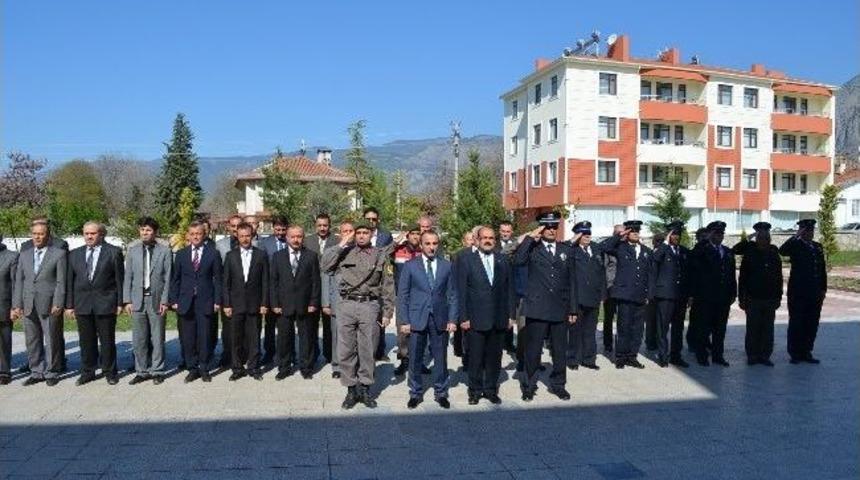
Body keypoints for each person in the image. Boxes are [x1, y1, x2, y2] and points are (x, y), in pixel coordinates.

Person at [322, 222, 394, 409]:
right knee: (346, 350)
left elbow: (387, 285)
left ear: (371, 235)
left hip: (369, 305)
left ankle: (365, 388)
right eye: (358, 233)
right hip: (346, 304)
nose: (361, 236)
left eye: (365, 233)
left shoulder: (380, 255)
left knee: (368, 349)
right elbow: (325, 266)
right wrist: (341, 244)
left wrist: (387, 312)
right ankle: (351, 390)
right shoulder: (344, 252)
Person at [514, 211, 577, 401]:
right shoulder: (532, 248)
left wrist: (573, 308)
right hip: (537, 307)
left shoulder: (566, 249)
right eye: (547, 226)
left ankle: (558, 385)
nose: (551, 230)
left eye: (554, 226)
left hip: (559, 307)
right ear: (541, 228)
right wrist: (531, 237)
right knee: (533, 351)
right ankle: (529, 385)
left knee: (559, 350)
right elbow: (518, 261)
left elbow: (572, 281)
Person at [398, 230, 458, 409]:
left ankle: (441, 392)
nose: (432, 247)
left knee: (440, 358)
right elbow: (403, 296)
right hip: (417, 318)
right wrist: (404, 321)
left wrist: (453, 319)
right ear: (421, 245)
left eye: (435, 243)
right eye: (428, 244)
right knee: (415, 358)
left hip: (440, 318)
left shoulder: (447, 266)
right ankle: (415, 393)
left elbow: (453, 294)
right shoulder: (410, 266)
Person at [458, 226, 514, 405]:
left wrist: (510, 315)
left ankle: (490, 389)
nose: (488, 241)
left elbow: (509, 290)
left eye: (491, 238)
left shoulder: (503, 260)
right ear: (477, 240)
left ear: (495, 241)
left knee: (494, 357)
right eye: (484, 238)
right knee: (475, 357)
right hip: (475, 318)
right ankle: (474, 390)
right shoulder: (466, 260)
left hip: (498, 318)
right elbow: (461, 291)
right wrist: (463, 317)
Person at [65, 222, 125, 385]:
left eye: (93, 233)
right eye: (86, 233)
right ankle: (88, 371)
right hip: (82, 304)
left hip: (106, 302)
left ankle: (110, 371)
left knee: (107, 340)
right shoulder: (74, 254)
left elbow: (120, 280)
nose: (89, 236)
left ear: (101, 234)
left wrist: (120, 303)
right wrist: (69, 305)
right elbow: (70, 282)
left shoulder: (113, 252)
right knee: (86, 341)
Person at [12, 221, 67, 386]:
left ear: (48, 235)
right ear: (31, 235)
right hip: (28, 303)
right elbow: (19, 281)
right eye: (35, 233)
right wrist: (17, 304)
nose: (38, 237)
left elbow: (61, 281)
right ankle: (36, 371)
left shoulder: (58, 254)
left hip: (49, 303)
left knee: (52, 338)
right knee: (32, 339)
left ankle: (52, 372)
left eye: (41, 233)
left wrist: (58, 302)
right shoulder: (24, 254)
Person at [169, 221, 223, 383]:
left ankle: (204, 367)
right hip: (185, 302)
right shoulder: (181, 254)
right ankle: (192, 368)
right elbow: (175, 279)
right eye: (192, 234)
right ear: (188, 235)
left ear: (204, 234)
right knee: (188, 337)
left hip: (205, 301)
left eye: (198, 234)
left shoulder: (213, 253)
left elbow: (218, 279)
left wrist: (217, 300)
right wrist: (174, 300)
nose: (195, 237)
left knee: (205, 336)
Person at [123, 217, 172, 385]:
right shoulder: (133, 250)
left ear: (155, 232)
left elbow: (168, 277)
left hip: (156, 299)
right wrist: (127, 300)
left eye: (149, 230)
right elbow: (128, 276)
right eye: (142, 229)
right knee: (139, 338)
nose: (145, 233)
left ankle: (157, 370)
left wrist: (165, 301)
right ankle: (141, 370)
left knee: (157, 337)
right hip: (137, 300)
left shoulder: (164, 251)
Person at [271, 225, 321, 379]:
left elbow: (315, 281)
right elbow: (273, 282)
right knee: (284, 338)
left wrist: (313, 302)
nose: (296, 239)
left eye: (299, 236)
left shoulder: (311, 256)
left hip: (305, 304)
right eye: (292, 236)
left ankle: (306, 367)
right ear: (287, 238)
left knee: (306, 338)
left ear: (303, 237)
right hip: (283, 305)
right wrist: (275, 304)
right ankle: (284, 367)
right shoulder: (278, 256)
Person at [222, 222, 269, 380]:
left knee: (254, 337)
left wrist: (264, 303)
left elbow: (265, 281)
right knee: (235, 338)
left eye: (247, 236)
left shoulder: (261, 255)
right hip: (235, 305)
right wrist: (227, 304)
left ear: (252, 235)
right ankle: (237, 368)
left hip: (255, 304)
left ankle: (254, 367)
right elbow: (226, 283)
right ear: (237, 236)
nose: (244, 239)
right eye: (241, 236)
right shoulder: (230, 256)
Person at [601, 220, 651, 369]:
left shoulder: (646, 251)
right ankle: (621, 356)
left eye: (637, 231)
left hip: (640, 294)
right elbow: (604, 247)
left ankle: (632, 356)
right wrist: (619, 235)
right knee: (624, 326)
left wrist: (649, 293)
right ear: (627, 233)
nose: (635, 234)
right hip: (624, 294)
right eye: (632, 231)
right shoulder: (620, 248)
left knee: (637, 328)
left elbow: (650, 274)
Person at [733, 222, 783, 366]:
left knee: (768, 329)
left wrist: (779, 296)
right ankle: (752, 355)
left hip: (770, 298)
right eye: (760, 237)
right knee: (753, 328)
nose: (763, 240)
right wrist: (741, 298)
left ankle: (765, 355)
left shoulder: (773, 253)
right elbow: (742, 276)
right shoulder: (750, 252)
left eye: (766, 237)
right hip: (752, 298)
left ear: (769, 239)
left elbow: (778, 277)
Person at [779, 219, 827, 364]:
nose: (810, 233)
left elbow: (822, 269)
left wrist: (823, 288)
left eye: (811, 230)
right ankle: (795, 353)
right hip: (798, 292)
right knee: (797, 322)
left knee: (812, 322)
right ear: (801, 232)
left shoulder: (817, 247)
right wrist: (796, 236)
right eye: (806, 231)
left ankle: (807, 351)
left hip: (815, 292)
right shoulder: (796, 245)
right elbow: (783, 250)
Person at [689, 221, 736, 367]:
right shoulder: (702, 249)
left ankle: (717, 356)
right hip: (705, 298)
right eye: (716, 233)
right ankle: (701, 355)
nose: (719, 236)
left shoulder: (727, 251)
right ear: (710, 234)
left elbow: (731, 274)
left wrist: (733, 293)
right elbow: (694, 258)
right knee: (703, 328)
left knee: (720, 329)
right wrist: (705, 240)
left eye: (721, 233)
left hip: (723, 298)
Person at [648, 221, 690, 368]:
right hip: (664, 295)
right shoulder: (662, 250)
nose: (676, 237)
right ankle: (663, 355)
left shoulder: (684, 251)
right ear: (668, 235)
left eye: (678, 234)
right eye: (673, 234)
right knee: (663, 327)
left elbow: (688, 275)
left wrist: (689, 294)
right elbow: (654, 259)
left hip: (680, 296)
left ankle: (676, 355)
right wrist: (665, 242)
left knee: (678, 328)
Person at [567, 221, 605, 371]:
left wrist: (602, 293)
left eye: (589, 233)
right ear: (577, 235)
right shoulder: (571, 250)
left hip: (593, 297)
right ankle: (573, 359)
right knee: (575, 331)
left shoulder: (596, 248)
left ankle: (589, 359)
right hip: (577, 298)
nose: (588, 236)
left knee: (590, 331)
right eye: (584, 234)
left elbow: (600, 273)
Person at [304, 213, 339, 366]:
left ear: (329, 225)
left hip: (330, 289)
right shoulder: (307, 241)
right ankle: (312, 355)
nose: (322, 228)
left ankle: (329, 355)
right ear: (315, 225)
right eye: (320, 225)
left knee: (329, 327)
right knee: (310, 326)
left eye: (325, 225)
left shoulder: (337, 241)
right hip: (311, 289)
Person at [321, 220, 354, 379]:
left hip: (354, 301)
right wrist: (326, 302)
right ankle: (337, 365)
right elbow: (326, 274)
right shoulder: (333, 250)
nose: (348, 234)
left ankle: (352, 364)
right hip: (337, 300)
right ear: (340, 234)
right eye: (345, 231)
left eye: (350, 231)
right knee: (337, 335)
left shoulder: (359, 250)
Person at [363, 207, 393, 361]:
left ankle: (380, 350)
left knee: (380, 315)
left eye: (374, 219)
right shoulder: (360, 234)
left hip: (381, 278)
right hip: (364, 280)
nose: (371, 222)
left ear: (378, 220)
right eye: (368, 218)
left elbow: (389, 255)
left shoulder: (385, 236)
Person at [259, 215, 290, 365]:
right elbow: (262, 267)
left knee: (287, 323)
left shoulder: (291, 241)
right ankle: (269, 352)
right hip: (271, 289)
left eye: (283, 229)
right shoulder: (265, 243)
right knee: (270, 324)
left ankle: (289, 353)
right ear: (273, 228)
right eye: (277, 229)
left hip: (289, 289)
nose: (280, 232)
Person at [391, 225, 422, 376]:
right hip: (402, 295)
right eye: (413, 234)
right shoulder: (398, 250)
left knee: (420, 329)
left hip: (420, 296)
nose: (416, 236)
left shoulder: (424, 252)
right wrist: (396, 242)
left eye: (418, 234)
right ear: (407, 235)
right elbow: (382, 254)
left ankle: (419, 361)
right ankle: (404, 360)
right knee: (402, 330)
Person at [215, 214, 243, 369]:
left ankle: (242, 356)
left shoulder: (254, 243)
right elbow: (217, 272)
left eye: (239, 225)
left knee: (245, 327)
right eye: (233, 226)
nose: (236, 228)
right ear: (228, 227)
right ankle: (227, 355)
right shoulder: (220, 245)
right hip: (228, 292)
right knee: (227, 328)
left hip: (245, 293)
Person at [451, 230, 477, 365]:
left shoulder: (481, 254)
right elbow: (454, 279)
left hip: (475, 298)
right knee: (463, 329)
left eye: (473, 239)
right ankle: (464, 355)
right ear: (463, 241)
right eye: (469, 239)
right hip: (462, 296)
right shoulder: (458, 256)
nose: (471, 241)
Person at [686, 227, 709, 354]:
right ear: (698, 238)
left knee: (707, 321)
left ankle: (705, 342)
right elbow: (691, 275)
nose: (705, 240)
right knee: (695, 320)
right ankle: (692, 343)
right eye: (703, 237)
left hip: (709, 293)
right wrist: (690, 295)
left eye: (707, 237)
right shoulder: (695, 251)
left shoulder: (711, 251)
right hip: (696, 293)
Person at [497, 221, 518, 355]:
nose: (505, 233)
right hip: (498, 284)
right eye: (503, 231)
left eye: (508, 231)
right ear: (499, 231)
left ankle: (509, 343)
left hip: (513, 283)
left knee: (511, 312)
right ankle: (498, 342)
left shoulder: (517, 245)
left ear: (512, 232)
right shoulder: (494, 245)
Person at [602, 224, 624, 353]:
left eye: (623, 233)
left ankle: (621, 343)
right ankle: (608, 343)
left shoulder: (626, 247)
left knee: (623, 318)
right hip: (610, 287)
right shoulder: (608, 248)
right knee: (609, 318)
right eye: (618, 233)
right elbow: (603, 270)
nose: (621, 236)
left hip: (623, 288)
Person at [0, 237, 18, 385]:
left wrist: (14, 306)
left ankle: (4, 371)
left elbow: (15, 284)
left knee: (4, 341)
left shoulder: (11, 257)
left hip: (3, 306)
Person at [644, 232, 666, 351]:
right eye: (658, 241)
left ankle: (657, 342)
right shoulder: (650, 254)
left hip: (662, 292)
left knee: (660, 320)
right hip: (651, 292)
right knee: (651, 319)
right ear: (654, 242)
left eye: (662, 241)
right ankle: (650, 342)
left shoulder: (666, 254)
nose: (659, 243)